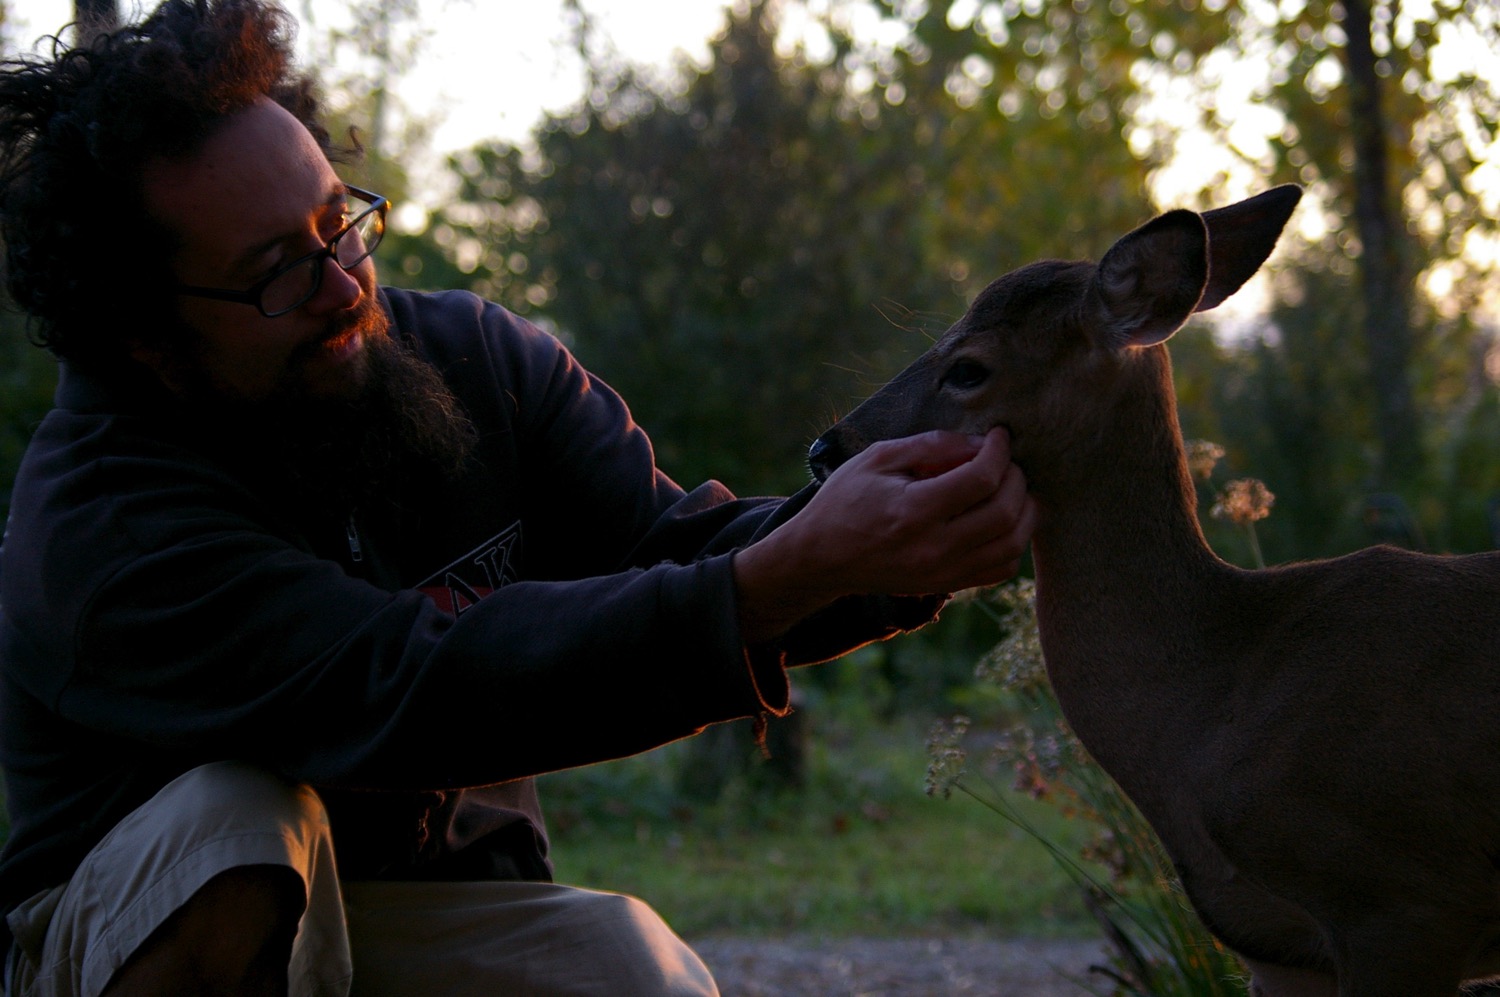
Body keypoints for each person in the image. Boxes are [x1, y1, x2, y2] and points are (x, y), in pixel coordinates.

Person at [0, 1, 1037, 994]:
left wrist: (897, 541)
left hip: (415, 912)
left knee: (636, 969)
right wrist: (788, 572)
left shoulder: (469, 359)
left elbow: (672, 550)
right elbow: (412, 687)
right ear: (143, 333)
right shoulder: (104, 530)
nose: (344, 285)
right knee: (231, 832)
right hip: (150, 943)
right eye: (278, 271)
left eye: (338, 222)